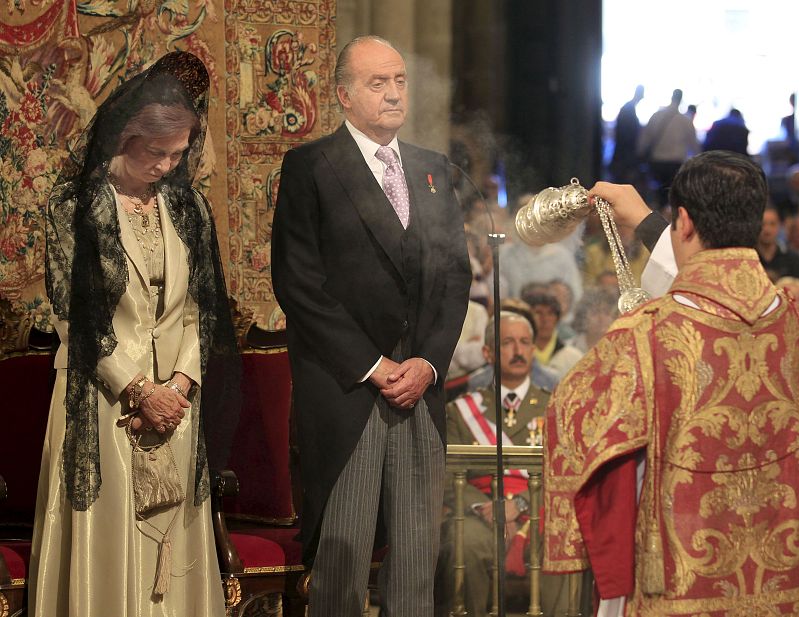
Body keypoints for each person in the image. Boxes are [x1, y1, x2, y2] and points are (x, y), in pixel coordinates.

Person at [544, 150, 799, 616]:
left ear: (681, 222)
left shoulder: (646, 332)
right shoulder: (794, 317)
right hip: (786, 580)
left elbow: (572, 413)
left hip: (679, 579)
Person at [30, 51, 239, 616]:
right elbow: (76, 318)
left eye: (178, 154)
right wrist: (140, 390)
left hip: (177, 405)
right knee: (109, 543)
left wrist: (181, 385)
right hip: (104, 404)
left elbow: (201, 309)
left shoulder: (188, 207)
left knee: (174, 558)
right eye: (157, 153)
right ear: (125, 137)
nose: (169, 166)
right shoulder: (74, 207)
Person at [270, 35, 471, 617]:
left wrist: (429, 363)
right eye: (377, 83)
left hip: (420, 388)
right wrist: (374, 365)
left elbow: (455, 280)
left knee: (415, 560)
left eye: (400, 81)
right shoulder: (311, 166)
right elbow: (299, 284)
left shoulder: (434, 171)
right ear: (343, 96)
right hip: (349, 388)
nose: (392, 93)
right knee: (343, 558)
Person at [438, 311, 573, 617]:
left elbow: (566, 473)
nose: (518, 350)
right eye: (508, 343)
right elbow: (446, 477)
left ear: (533, 350)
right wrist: (485, 508)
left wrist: (522, 505)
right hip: (480, 514)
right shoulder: (461, 411)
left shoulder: (555, 407)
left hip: (539, 512)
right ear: (488, 353)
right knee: (464, 542)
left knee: (561, 540)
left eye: (525, 342)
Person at [638, 88, 699, 208]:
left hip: (657, 161)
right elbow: (694, 145)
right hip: (676, 163)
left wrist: (639, 155)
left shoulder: (657, 116)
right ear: (681, 99)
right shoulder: (685, 121)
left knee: (658, 196)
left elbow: (644, 139)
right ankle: (669, 222)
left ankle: (658, 219)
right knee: (672, 198)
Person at [609, 84, 645, 184]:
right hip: (625, 154)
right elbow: (626, 134)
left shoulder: (628, 108)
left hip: (623, 153)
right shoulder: (629, 109)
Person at [757, 206, 799, 281]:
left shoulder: (793, 258)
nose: (767, 230)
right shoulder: (749, 258)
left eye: (772, 224)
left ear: (779, 226)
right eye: (763, 224)